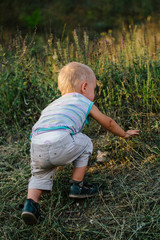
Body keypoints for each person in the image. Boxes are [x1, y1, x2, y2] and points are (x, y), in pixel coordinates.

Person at [21, 62, 139, 225]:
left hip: (36, 145)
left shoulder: (51, 105)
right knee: (85, 141)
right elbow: (109, 123)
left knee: (39, 174)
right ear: (84, 87)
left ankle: (31, 204)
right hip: (60, 141)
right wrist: (124, 134)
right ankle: (77, 185)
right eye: (94, 89)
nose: (94, 93)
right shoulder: (83, 101)